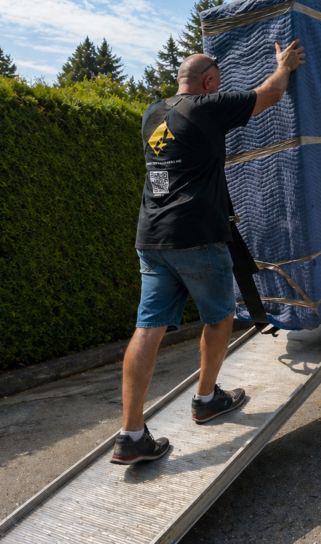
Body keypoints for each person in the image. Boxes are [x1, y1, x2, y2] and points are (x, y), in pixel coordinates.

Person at [111, 40, 306, 465]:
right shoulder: (207, 107)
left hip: (152, 237)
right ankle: (206, 399)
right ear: (211, 81)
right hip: (197, 235)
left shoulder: (152, 113)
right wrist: (283, 64)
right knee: (219, 318)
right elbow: (271, 93)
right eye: (218, 82)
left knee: (148, 329)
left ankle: (130, 435)